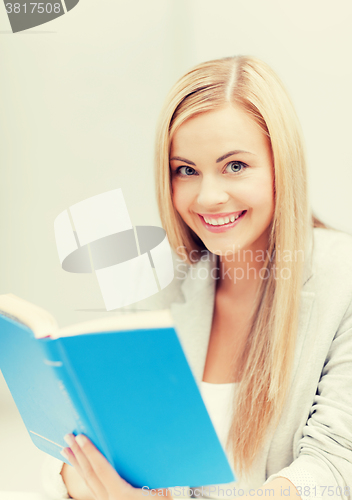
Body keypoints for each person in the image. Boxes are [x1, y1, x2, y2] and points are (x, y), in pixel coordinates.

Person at [41, 55, 352, 500]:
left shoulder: (343, 281)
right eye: (186, 170)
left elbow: (335, 466)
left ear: (282, 166)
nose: (208, 197)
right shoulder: (157, 283)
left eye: (235, 166)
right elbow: (100, 438)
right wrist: (79, 476)